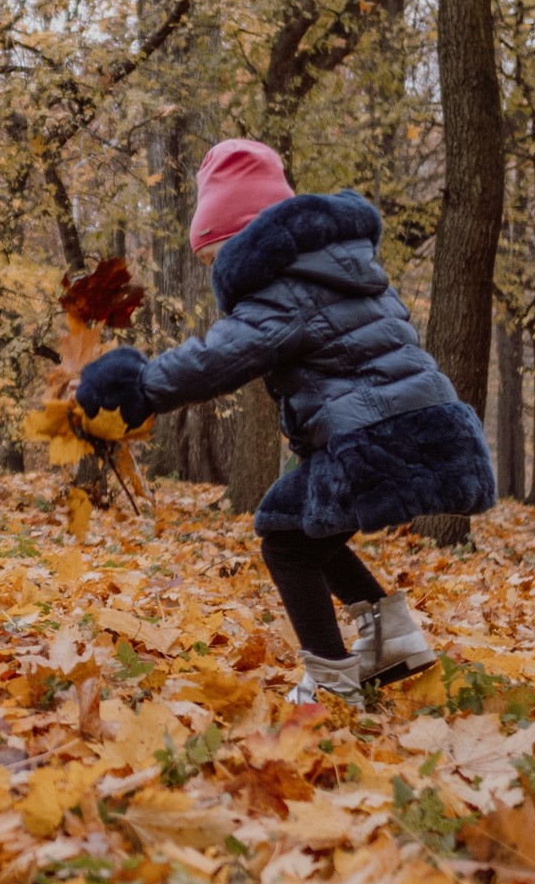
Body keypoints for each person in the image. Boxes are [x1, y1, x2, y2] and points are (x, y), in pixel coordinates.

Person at [75, 139, 494, 702]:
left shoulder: (282, 286)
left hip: (375, 435)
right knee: (298, 525)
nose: (214, 273)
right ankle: (391, 638)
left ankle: (330, 682)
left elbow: (221, 357)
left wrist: (143, 388)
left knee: (286, 544)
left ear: (243, 239)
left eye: (213, 258)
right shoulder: (336, 264)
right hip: (421, 423)